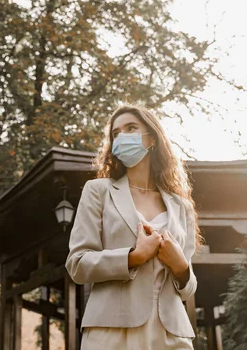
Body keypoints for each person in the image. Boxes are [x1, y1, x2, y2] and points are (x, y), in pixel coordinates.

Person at [65, 104, 202, 350]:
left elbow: (188, 289)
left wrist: (180, 265)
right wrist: (133, 257)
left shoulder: (181, 206)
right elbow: (77, 264)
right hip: (111, 331)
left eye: (131, 128)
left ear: (151, 138)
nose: (122, 137)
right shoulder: (98, 191)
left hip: (172, 334)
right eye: (116, 133)